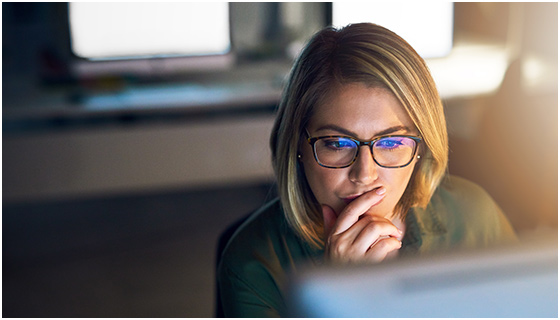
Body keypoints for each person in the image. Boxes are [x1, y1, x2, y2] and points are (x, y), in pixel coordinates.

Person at [217, 23, 517, 317]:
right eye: (336, 143)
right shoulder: (252, 264)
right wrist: (343, 296)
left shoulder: (475, 216)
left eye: (391, 142)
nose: (364, 174)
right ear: (298, 145)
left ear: (421, 147)